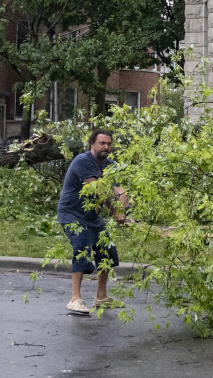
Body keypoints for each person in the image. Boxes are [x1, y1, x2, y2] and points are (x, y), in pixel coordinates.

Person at [57, 128, 128, 315]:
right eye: (102, 143)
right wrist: (114, 210)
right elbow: (98, 191)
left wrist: (122, 208)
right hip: (71, 214)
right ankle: (75, 299)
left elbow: (119, 190)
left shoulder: (110, 164)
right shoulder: (83, 161)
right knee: (81, 246)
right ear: (92, 144)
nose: (106, 147)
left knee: (106, 249)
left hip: (91, 216)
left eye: (109, 144)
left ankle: (101, 297)